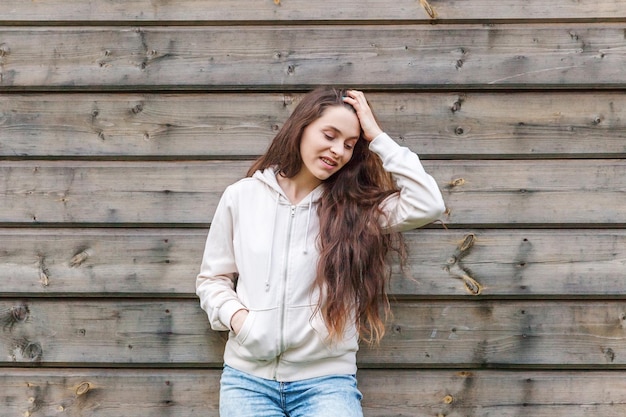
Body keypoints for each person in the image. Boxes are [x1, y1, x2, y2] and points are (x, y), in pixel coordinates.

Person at [196, 87, 445, 417]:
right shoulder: (241, 197)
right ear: (301, 128)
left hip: (326, 384)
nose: (337, 150)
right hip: (247, 382)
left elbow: (428, 204)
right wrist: (242, 322)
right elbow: (212, 280)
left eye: (349, 144)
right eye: (329, 135)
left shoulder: (355, 209)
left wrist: (378, 137)